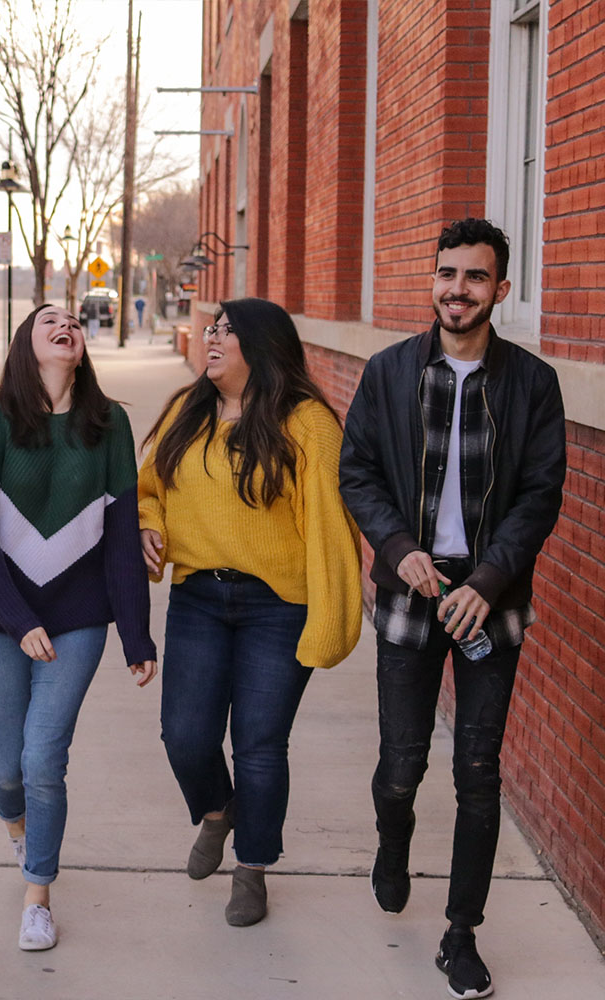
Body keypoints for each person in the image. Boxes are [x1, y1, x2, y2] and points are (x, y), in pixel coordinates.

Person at [339, 218, 566, 1000]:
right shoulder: (391, 373)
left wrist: (491, 579)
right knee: (401, 766)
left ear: (499, 290)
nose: (456, 289)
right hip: (411, 588)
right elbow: (358, 472)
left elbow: (540, 495)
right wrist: (397, 545)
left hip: (488, 599)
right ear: (432, 280)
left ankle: (460, 934)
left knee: (478, 773)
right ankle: (392, 842)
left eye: (474, 277)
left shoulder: (532, 383)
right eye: (446, 274)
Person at [138, 297, 362, 927]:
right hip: (198, 597)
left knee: (260, 745)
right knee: (184, 735)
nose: (211, 338)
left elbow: (330, 527)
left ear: (261, 346)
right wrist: (147, 525)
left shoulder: (308, 423)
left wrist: (330, 619)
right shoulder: (187, 411)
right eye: (211, 328)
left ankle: (253, 868)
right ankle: (217, 811)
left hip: (277, 606)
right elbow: (148, 488)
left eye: (227, 331)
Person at [0, 303, 156, 951]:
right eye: (49, 320)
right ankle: (20, 830)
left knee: (44, 759)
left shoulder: (111, 425)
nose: (65, 324)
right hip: (0, 618)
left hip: (77, 620)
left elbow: (124, 537)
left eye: (74, 320)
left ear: (82, 345)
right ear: (27, 343)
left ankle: (37, 892)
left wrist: (136, 635)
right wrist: (18, 622)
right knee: (6, 767)